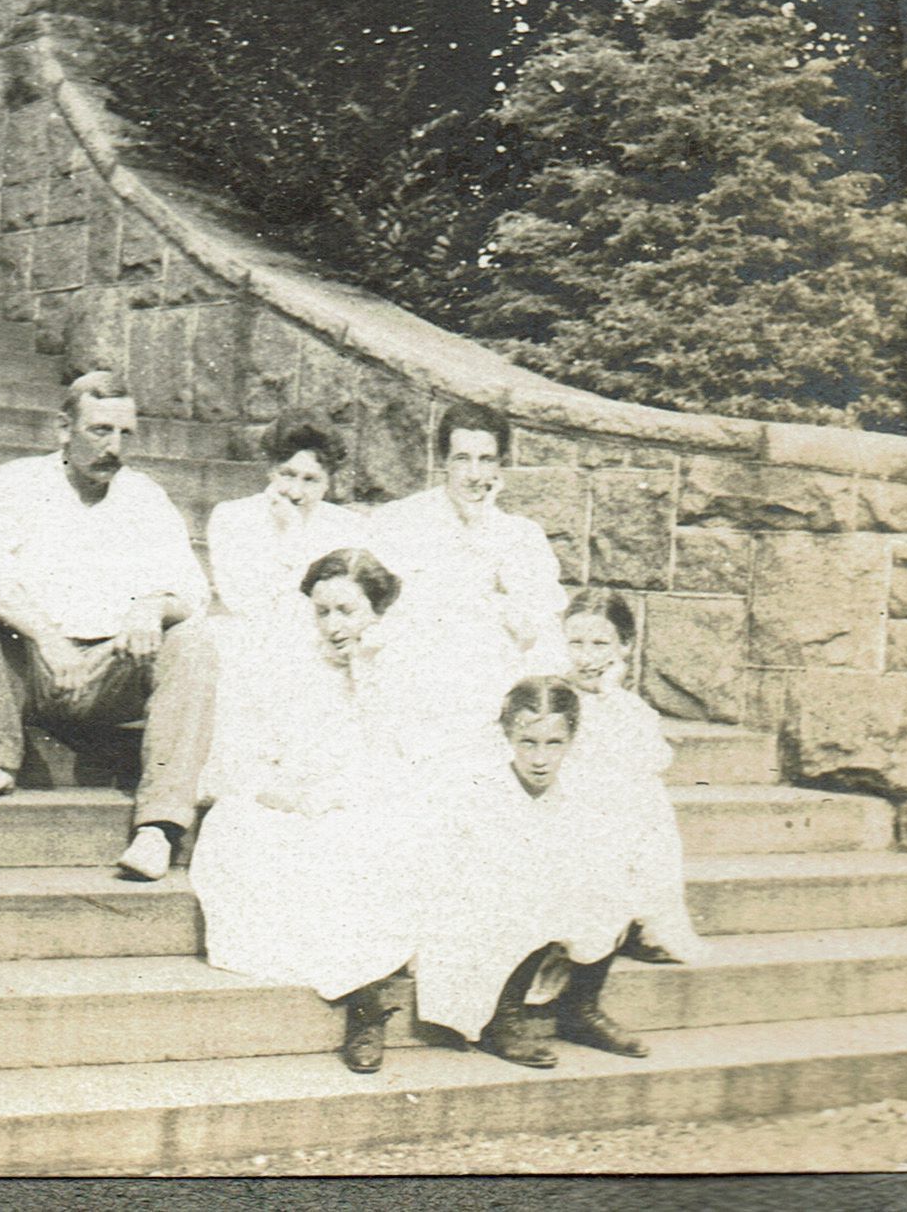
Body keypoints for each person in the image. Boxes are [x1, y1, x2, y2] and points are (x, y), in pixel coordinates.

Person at [0, 369, 217, 882]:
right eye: (100, 430)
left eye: (125, 433)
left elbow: (192, 593)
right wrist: (45, 636)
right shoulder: (15, 482)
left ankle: (159, 826)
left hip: (107, 672)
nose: (115, 447)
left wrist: (151, 606)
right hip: (21, 671)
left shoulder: (145, 498)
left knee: (193, 641)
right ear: (64, 429)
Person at [190, 548, 418, 1073]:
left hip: (370, 799)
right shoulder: (288, 668)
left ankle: (367, 1000)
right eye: (323, 612)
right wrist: (285, 794)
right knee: (255, 833)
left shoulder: (398, 671)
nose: (334, 626)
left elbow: (405, 758)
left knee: (370, 838)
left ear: (376, 612)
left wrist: (365, 675)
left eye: (348, 611)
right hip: (291, 800)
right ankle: (359, 991)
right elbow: (249, 757)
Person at [410, 676, 647, 1066]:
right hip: (473, 915)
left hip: (539, 906)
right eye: (528, 743)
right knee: (524, 893)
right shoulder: (481, 789)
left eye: (554, 744)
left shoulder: (577, 791)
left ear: (571, 740)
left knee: (608, 885)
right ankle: (501, 1019)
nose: (540, 759)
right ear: (508, 737)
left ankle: (580, 1009)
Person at [368, 403, 570, 767]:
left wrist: (483, 526)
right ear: (443, 461)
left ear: (500, 465)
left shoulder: (521, 536)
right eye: (462, 459)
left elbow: (539, 628)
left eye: (486, 459)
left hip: (491, 688)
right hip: (414, 685)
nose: (474, 474)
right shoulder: (399, 522)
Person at [201, 420, 368, 797]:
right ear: (270, 469)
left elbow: (351, 600)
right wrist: (292, 535)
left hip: (321, 641)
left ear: (328, 482)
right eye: (287, 474)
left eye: (311, 480)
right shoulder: (233, 517)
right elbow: (245, 601)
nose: (295, 490)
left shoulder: (349, 527)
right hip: (256, 638)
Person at [558, 587, 704, 966]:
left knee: (645, 796)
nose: (585, 656)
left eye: (600, 644)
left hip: (608, 811)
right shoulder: (553, 695)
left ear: (624, 647)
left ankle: (634, 920)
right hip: (561, 804)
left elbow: (652, 759)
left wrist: (610, 693)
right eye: (575, 643)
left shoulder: (624, 705)